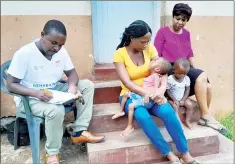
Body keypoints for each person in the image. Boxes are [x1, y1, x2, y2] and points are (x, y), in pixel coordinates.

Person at [6, 20, 105, 164]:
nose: (57, 48)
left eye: (61, 45)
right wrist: (35, 93)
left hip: (54, 90)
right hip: (29, 97)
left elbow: (72, 74)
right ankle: (52, 153)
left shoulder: (61, 52)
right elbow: (10, 85)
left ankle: (79, 132)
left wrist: (72, 86)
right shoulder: (24, 54)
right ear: (42, 35)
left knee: (87, 86)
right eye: (53, 43)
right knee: (55, 110)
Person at [114, 20, 199, 164]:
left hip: (154, 93)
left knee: (168, 113)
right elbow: (127, 82)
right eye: (143, 42)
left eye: (148, 41)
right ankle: (169, 154)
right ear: (131, 38)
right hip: (132, 95)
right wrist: (147, 93)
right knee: (142, 116)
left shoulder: (150, 49)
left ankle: (185, 153)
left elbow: (164, 70)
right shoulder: (120, 54)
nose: (146, 44)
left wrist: (160, 90)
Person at [154, 3, 227, 134]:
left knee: (207, 85)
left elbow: (189, 53)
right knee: (202, 76)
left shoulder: (186, 34)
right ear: (173, 17)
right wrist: (160, 75)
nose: (180, 22)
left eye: (184, 20)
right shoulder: (162, 32)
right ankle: (205, 117)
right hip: (170, 68)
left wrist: (195, 68)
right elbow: (156, 56)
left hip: (184, 67)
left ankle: (205, 116)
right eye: (178, 18)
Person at [112, 57, 171, 137]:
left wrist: (148, 95)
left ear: (157, 69)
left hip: (147, 100)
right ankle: (121, 111)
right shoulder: (151, 75)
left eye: (154, 61)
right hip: (142, 96)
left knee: (131, 106)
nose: (151, 61)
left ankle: (130, 126)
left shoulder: (156, 77)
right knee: (126, 94)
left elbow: (156, 89)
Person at [166, 58, 195, 129]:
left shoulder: (186, 78)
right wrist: (174, 100)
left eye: (184, 74)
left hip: (183, 98)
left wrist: (183, 99)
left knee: (190, 105)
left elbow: (187, 90)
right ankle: (178, 122)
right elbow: (168, 91)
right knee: (175, 107)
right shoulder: (170, 79)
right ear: (174, 70)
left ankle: (187, 120)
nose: (182, 75)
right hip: (172, 98)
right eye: (179, 73)